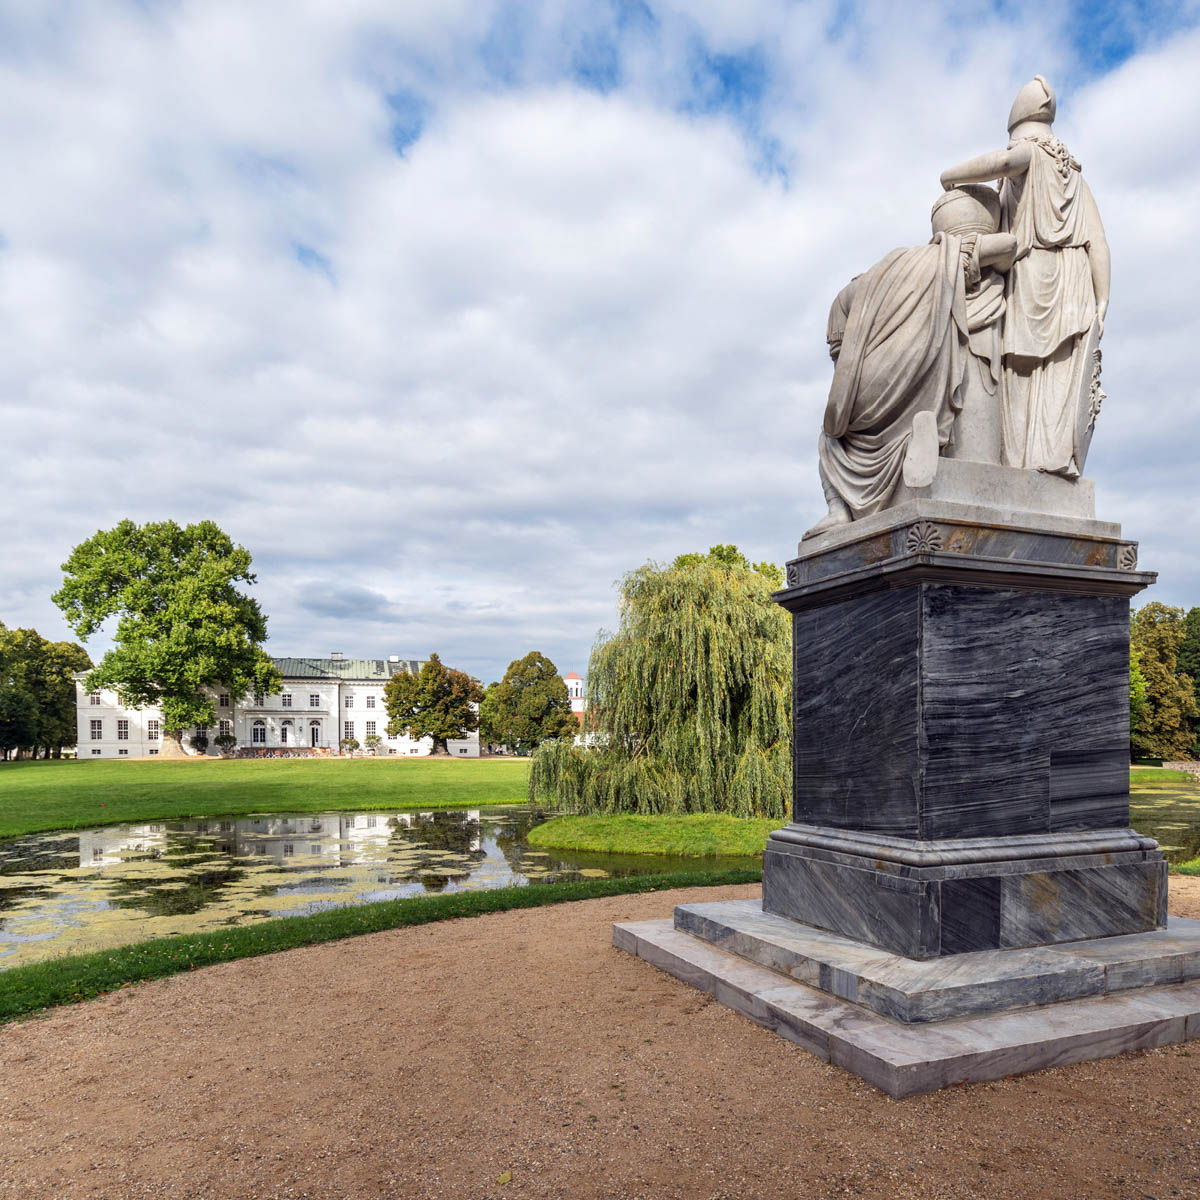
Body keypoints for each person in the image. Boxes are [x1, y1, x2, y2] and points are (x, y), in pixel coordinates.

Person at [804, 187, 1016, 539]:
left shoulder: (866, 286)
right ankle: (914, 440)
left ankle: (838, 509)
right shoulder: (932, 263)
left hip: (890, 395)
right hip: (938, 369)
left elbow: (842, 368)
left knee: (832, 435)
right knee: (840, 431)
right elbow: (1007, 247)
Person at [939, 76, 1109, 477]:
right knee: (1059, 376)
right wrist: (1102, 301)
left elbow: (1001, 163)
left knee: (1020, 377)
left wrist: (951, 177)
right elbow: (1097, 243)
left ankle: (1021, 464)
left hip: (1032, 276)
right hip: (1074, 281)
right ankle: (1052, 461)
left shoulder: (1030, 154)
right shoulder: (1075, 175)